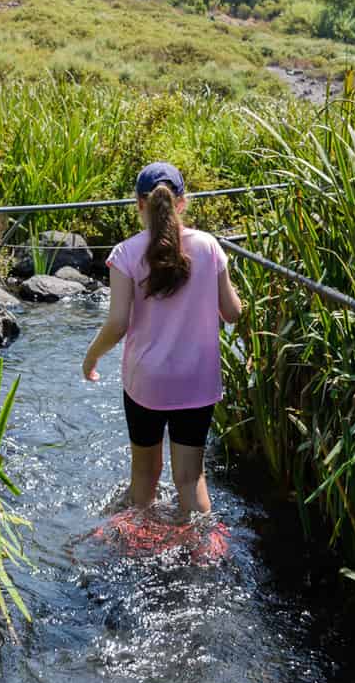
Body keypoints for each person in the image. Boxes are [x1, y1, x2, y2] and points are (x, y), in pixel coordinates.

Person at [81, 162, 243, 517]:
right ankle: (203, 557)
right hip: (197, 380)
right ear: (182, 202)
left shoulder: (125, 254)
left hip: (147, 382)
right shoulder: (209, 247)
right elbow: (232, 312)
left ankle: (135, 549)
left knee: (144, 480)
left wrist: (91, 357)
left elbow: (118, 323)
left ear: (139, 204)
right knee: (190, 478)